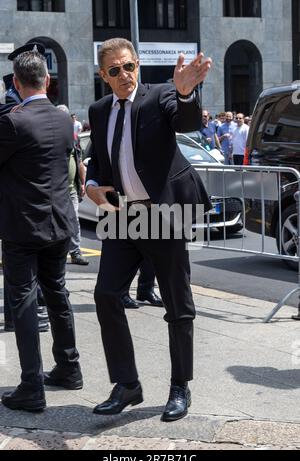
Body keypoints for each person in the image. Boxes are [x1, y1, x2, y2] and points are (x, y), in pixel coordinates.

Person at [86, 38, 212, 422]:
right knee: (107, 293)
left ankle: (179, 386)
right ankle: (127, 385)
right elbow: (100, 159)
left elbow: (187, 120)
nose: (124, 75)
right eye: (115, 70)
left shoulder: (160, 96)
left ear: (137, 65)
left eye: (129, 66)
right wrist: (91, 184)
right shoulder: (99, 110)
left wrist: (187, 93)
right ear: (102, 76)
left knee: (177, 303)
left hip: (164, 211)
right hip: (122, 214)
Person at [0, 50, 82, 412]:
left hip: (22, 227)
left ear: (17, 83)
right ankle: (69, 367)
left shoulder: (14, 122)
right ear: (47, 80)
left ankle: (32, 385)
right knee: (57, 293)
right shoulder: (65, 121)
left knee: (24, 303)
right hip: (59, 224)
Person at [1, 43, 50, 333]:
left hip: (31, 204)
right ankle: (16, 316)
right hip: (16, 201)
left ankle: (29, 309)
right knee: (17, 269)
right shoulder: (11, 103)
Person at [57, 105, 89, 266]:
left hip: (71, 189)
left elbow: (79, 162)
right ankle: (57, 253)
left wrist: (82, 183)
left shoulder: (74, 137)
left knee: (74, 220)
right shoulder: (51, 136)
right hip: (55, 191)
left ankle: (75, 251)